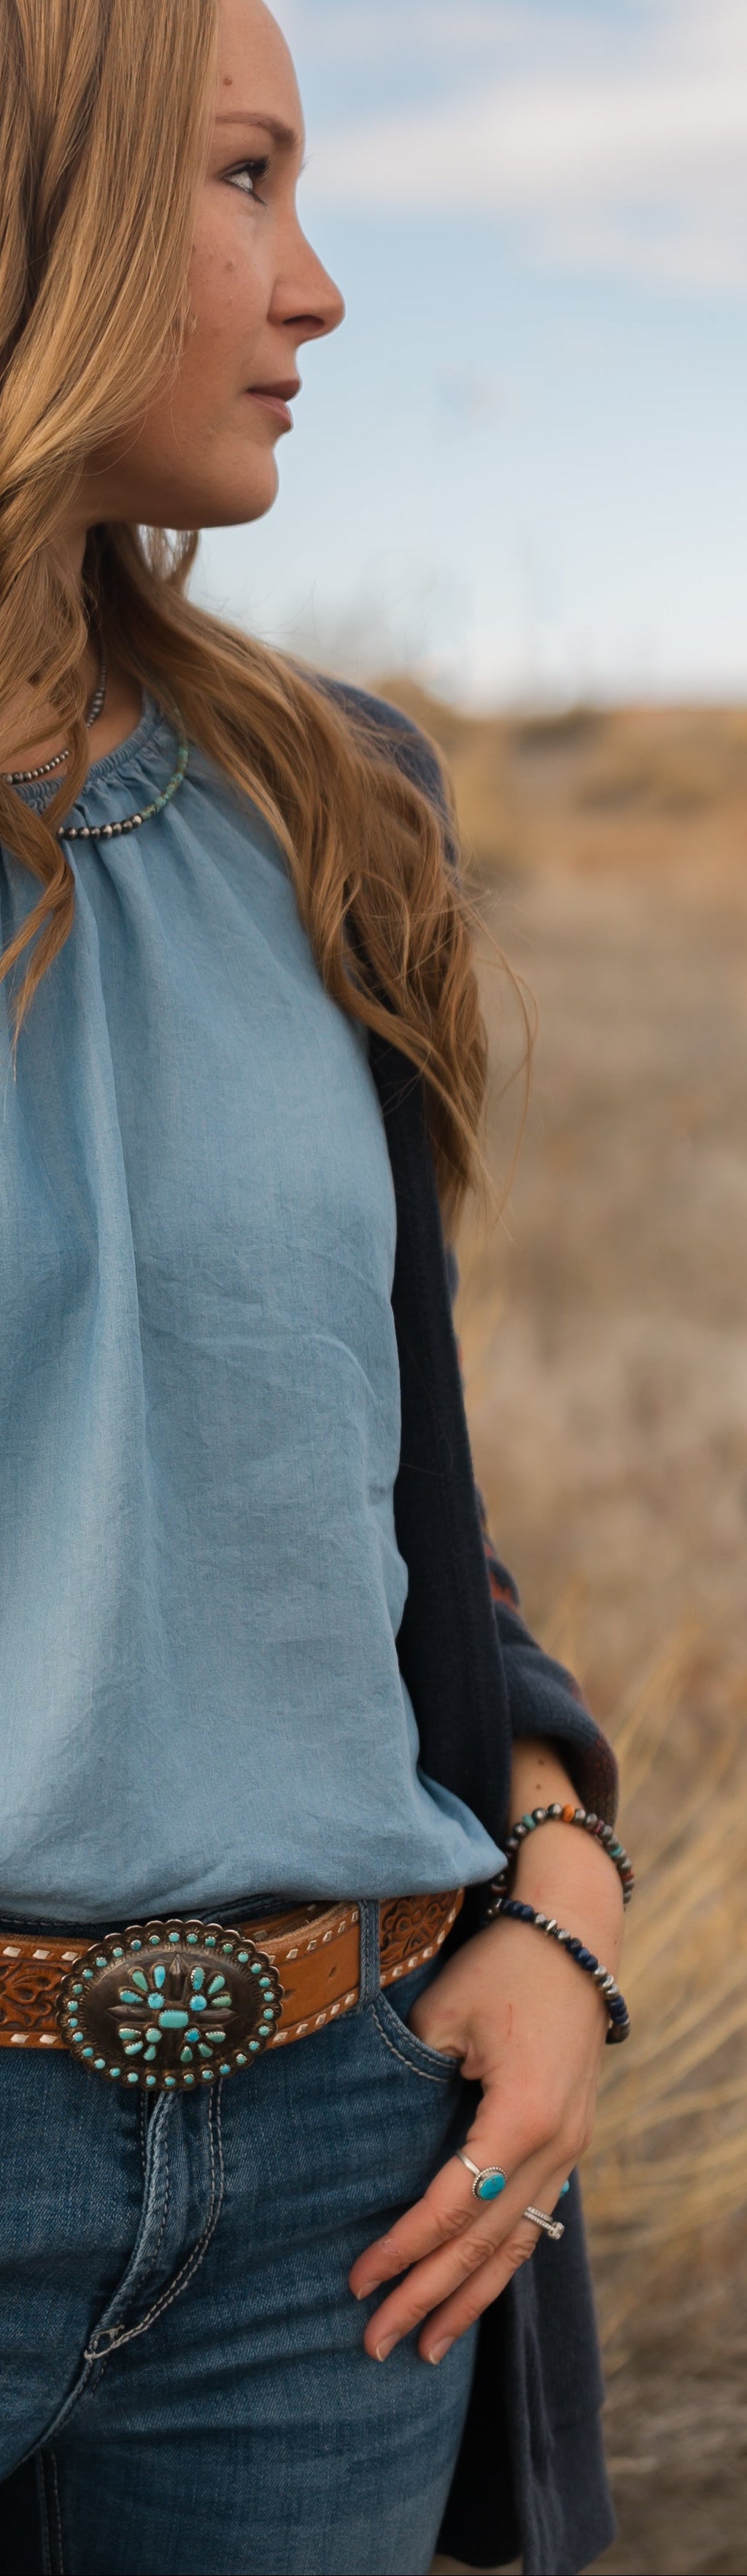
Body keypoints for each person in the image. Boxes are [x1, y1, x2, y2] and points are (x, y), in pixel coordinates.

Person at [0, 4, 631, 2572]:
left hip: (330, 2209)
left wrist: (560, 1881)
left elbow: (358, 1477)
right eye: (243, 176)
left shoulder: (338, 802)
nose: (324, 287)